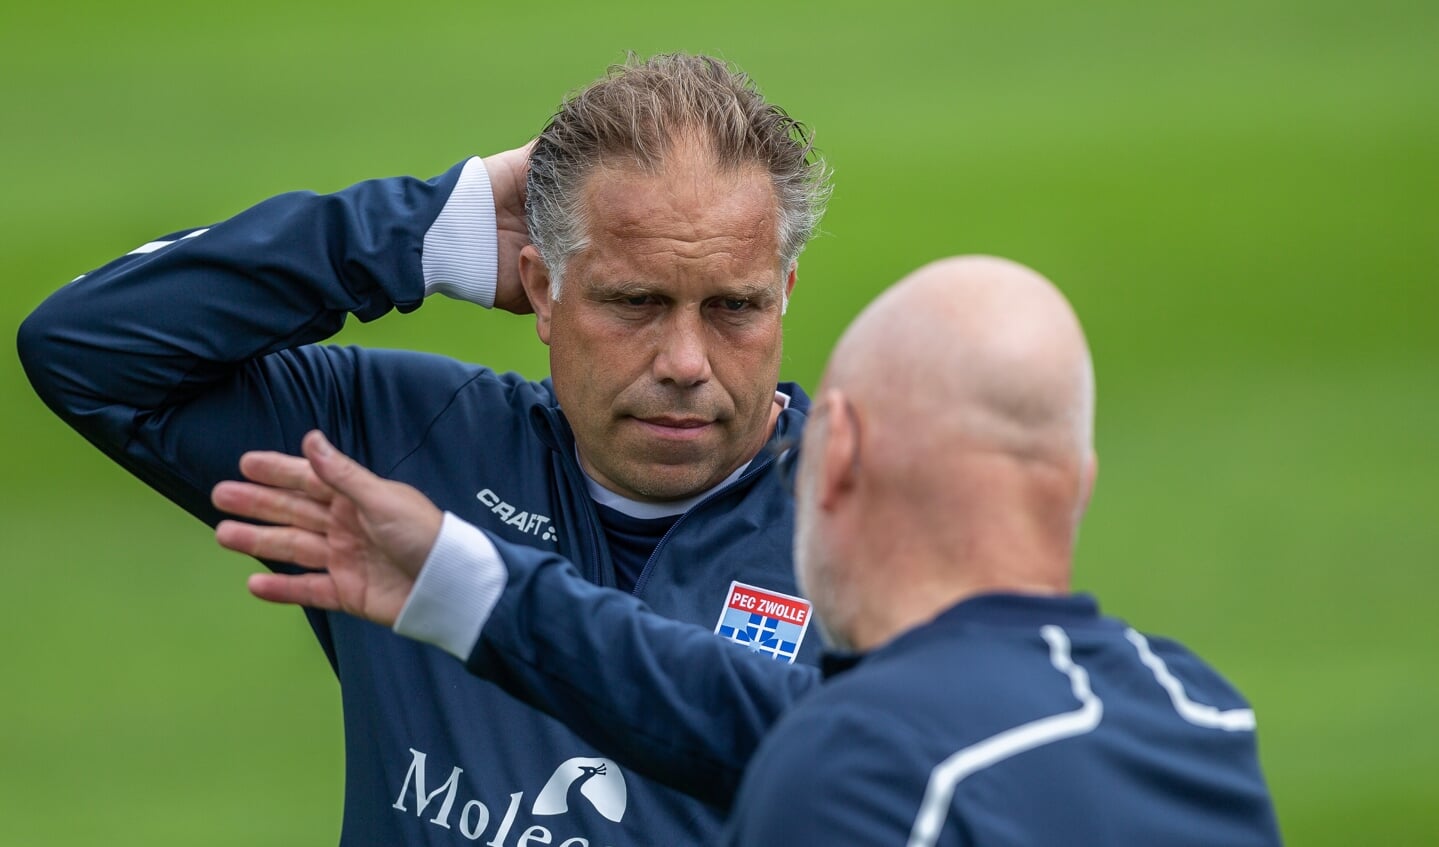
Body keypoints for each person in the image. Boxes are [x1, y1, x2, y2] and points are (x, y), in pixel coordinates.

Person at [18, 53, 832, 845]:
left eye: (734, 306)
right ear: (543, 288)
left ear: (783, 293)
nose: (685, 362)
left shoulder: (867, 530)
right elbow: (86, 348)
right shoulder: (400, 447)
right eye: (635, 302)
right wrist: (428, 229)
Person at [211, 256, 1283, 845]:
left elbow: (773, 725)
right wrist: (466, 584)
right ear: (1077, 482)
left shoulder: (867, 780)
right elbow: (722, 700)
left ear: (837, 453)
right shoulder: (1194, 715)